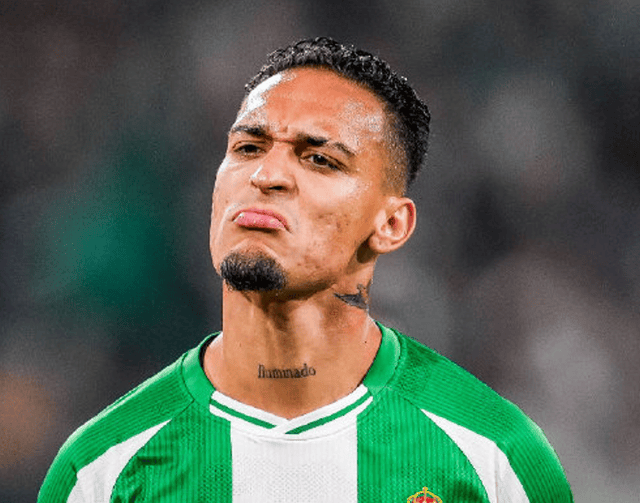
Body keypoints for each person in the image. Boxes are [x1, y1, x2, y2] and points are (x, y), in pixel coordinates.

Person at [38, 37, 573, 502]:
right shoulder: (101, 470)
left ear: (390, 224)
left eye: (319, 159)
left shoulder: (495, 457)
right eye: (249, 147)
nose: (266, 174)